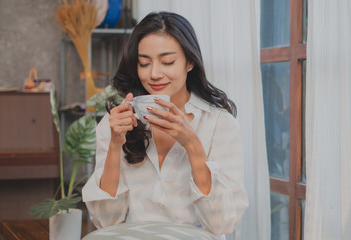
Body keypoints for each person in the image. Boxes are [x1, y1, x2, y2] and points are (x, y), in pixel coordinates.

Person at [82, 11, 248, 239]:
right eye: (144, 63)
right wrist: (114, 144)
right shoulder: (117, 123)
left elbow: (222, 223)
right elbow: (106, 221)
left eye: (167, 61)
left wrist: (192, 145)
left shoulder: (220, 125)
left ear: (190, 62)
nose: (154, 74)